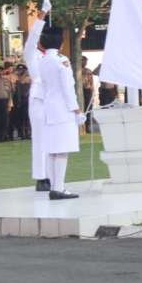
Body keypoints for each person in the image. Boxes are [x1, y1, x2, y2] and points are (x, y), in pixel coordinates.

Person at [38, 21, 84, 200]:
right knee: (62, 150)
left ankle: (55, 186)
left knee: (52, 150)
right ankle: (58, 187)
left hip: (49, 109)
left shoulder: (43, 61)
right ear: (60, 43)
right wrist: (77, 110)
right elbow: (67, 88)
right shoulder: (62, 61)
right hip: (62, 110)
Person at [24, 0, 51, 191]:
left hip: (53, 99)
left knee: (53, 139)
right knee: (40, 138)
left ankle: (52, 175)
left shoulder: (55, 57)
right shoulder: (31, 53)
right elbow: (33, 36)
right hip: (39, 98)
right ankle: (41, 177)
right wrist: (42, 14)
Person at [81, 56, 95, 134]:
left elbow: (91, 83)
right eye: (83, 61)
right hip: (79, 91)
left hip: (87, 91)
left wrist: (93, 95)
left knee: (88, 109)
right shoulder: (75, 70)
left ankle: (88, 127)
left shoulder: (88, 71)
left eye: (86, 61)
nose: (85, 63)